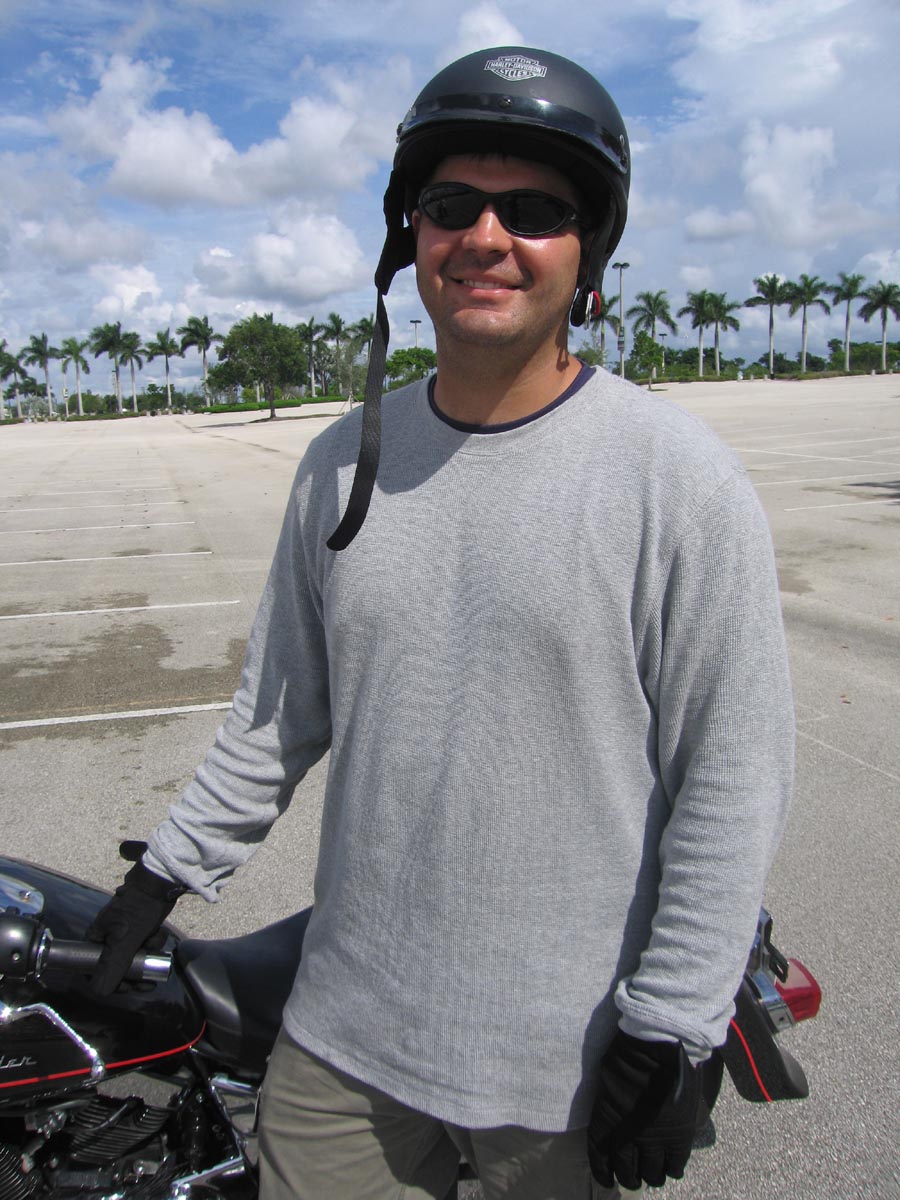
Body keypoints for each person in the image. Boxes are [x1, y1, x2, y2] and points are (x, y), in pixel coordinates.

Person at [87, 46, 794, 1200]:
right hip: (345, 1038)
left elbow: (733, 775)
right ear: (408, 235)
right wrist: (162, 877)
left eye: (536, 212)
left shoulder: (679, 480)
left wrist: (675, 1023)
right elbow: (275, 717)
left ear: (589, 249)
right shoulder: (340, 465)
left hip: (567, 1064)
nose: (486, 237)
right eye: (452, 204)